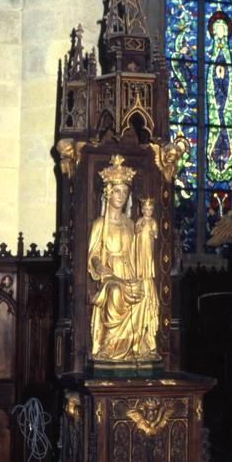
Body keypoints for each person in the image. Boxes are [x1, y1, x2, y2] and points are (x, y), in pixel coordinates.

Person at [88, 155, 159, 362]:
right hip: (111, 275)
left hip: (130, 271)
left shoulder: (130, 224)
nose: (121, 196)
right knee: (116, 291)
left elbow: (138, 252)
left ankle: (138, 345)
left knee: (144, 292)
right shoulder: (100, 224)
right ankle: (109, 346)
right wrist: (99, 266)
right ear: (108, 193)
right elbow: (93, 255)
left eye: (125, 192)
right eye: (117, 191)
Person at [135, 198, 159, 353]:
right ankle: (141, 271)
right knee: (141, 257)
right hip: (140, 249)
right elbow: (136, 231)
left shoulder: (153, 222)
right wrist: (140, 227)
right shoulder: (140, 220)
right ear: (142, 210)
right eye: (146, 209)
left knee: (148, 257)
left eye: (150, 210)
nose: (148, 212)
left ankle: (146, 271)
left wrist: (152, 232)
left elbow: (155, 234)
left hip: (148, 248)